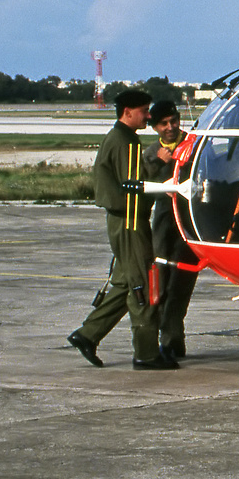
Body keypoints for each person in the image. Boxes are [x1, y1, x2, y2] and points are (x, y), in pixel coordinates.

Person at [68, 89, 177, 370]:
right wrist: (158, 163)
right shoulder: (125, 142)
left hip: (124, 221)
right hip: (130, 221)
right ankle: (146, 353)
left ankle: (87, 334)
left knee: (125, 284)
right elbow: (133, 186)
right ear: (127, 112)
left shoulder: (120, 138)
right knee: (143, 284)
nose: (148, 116)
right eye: (143, 111)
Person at [145, 99, 199, 358]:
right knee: (160, 284)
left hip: (190, 226)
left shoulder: (195, 144)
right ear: (154, 127)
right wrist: (158, 163)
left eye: (174, 121)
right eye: (163, 124)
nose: (170, 127)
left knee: (182, 284)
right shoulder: (150, 154)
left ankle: (172, 338)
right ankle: (167, 338)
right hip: (164, 225)